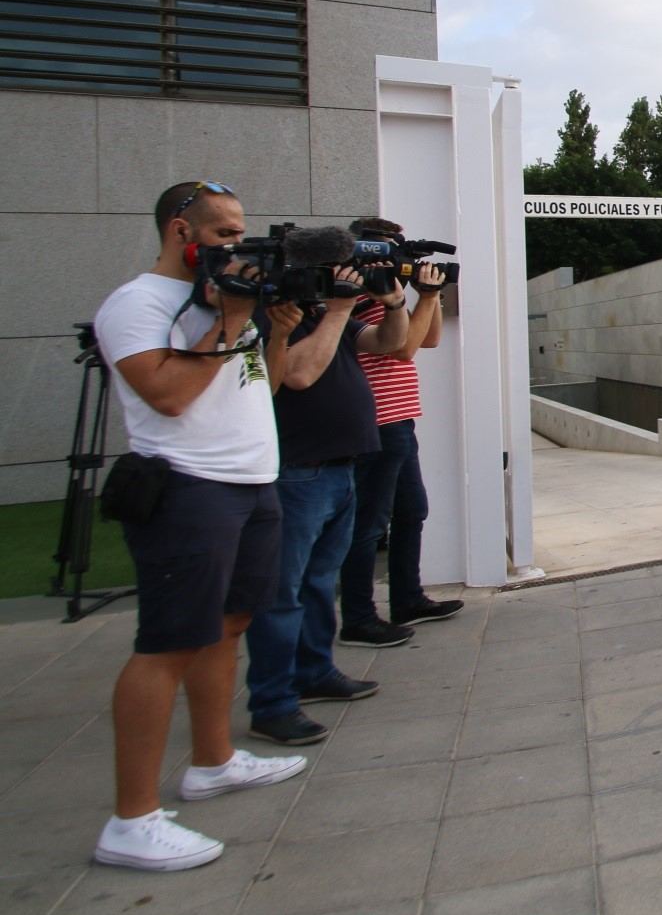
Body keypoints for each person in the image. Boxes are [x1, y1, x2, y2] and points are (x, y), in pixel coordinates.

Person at [90, 181, 309, 872]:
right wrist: (224, 321)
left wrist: (264, 328)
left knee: (231, 622)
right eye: (221, 236)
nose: (234, 248)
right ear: (181, 231)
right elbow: (168, 394)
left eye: (240, 235)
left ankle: (212, 761)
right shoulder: (136, 305)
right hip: (188, 488)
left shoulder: (231, 304)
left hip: (250, 483)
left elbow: (259, 390)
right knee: (167, 644)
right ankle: (131, 820)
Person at [243, 258, 409, 746]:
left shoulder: (326, 315)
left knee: (317, 583)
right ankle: (272, 702)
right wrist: (337, 310)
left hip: (340, 467)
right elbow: (296, 375)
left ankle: (315, 671)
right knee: (282, 592)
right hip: (298, 471)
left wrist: (395, 302)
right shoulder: (276, 317)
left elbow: (389, 343)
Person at [339, 216, 463, 643]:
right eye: (390, 249)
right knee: (369, 524)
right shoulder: (355, 294)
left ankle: (408, 598)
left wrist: (427, 294)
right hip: (374, 421)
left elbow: (428, 339)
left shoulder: (389, 293)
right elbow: (403, 348)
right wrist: (418, 296)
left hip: (399, 418)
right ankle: (357, 617)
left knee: (412, 511)